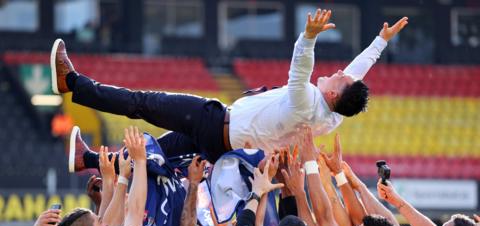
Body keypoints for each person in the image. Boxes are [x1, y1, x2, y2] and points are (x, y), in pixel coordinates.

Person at [50, 8, 407, 167]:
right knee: (152, 153)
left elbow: (300, 68)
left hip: (214, 121)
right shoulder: (331, 117)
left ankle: (74, 84)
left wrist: (309, 36)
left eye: (339, 78)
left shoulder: (308, 99)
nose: (340, 71)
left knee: (142, 103)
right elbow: (355, 76)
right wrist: (380, 41)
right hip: (222, 144)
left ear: (332, 94)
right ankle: (89, 159)